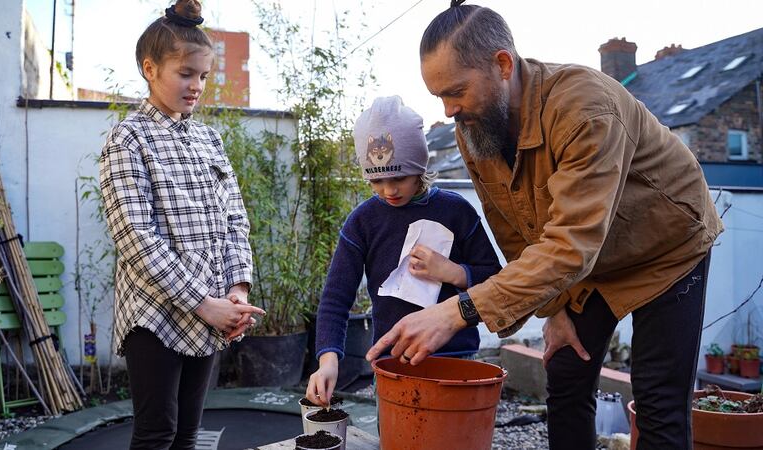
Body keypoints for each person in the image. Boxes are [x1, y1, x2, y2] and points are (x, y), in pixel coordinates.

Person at [365, 2, 723, 449]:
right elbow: (514, 228)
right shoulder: (476, 126)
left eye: (455, 91)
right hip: (591, 253)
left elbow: (571, 246)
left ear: (502, 64)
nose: (449, 109)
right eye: (439, 96)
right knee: (567, 371)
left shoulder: (585, 109)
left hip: (666, 246)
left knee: (657, 404)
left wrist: (456, 311)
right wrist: (552, 308)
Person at [99, 1, 265, 448]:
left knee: (189, 434)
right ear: (150, 69)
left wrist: (237, 289)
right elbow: (135, 237)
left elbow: (234, 217)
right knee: (158, 434)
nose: (196, 86)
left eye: (204, 76)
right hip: (155, 315)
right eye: (186, 74)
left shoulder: (209, 138)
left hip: (210, 309)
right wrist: (202, 302)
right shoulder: (128, 137)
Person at [305, 96, 500, 406]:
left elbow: (497, 281)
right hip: (393, 361)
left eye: (399, 178)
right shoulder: (363, 221)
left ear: (420, 167)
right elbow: (335, 298)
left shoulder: (457, 212)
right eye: (376, 180)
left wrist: (454, 272)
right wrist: (328, 360)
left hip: (456, 356)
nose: (388, 190)